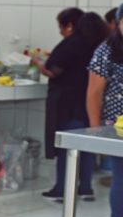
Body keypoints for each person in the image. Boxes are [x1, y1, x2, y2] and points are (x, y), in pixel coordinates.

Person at [34, 10, 106, 203]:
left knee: (67, 147)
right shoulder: (99, 45)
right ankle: (85, 188)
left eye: (61, 27)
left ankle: (61, 189)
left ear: (71, 26)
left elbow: (52, 71)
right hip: (89, 104)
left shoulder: (71, 43)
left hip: (67, 103)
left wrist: (37, 63)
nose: (60, 31)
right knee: (87, 145)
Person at [87, 2, 123, 217]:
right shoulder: (107, 50)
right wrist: (95, 129)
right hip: (117, 127)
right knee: (121, 178)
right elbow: (94, 92)